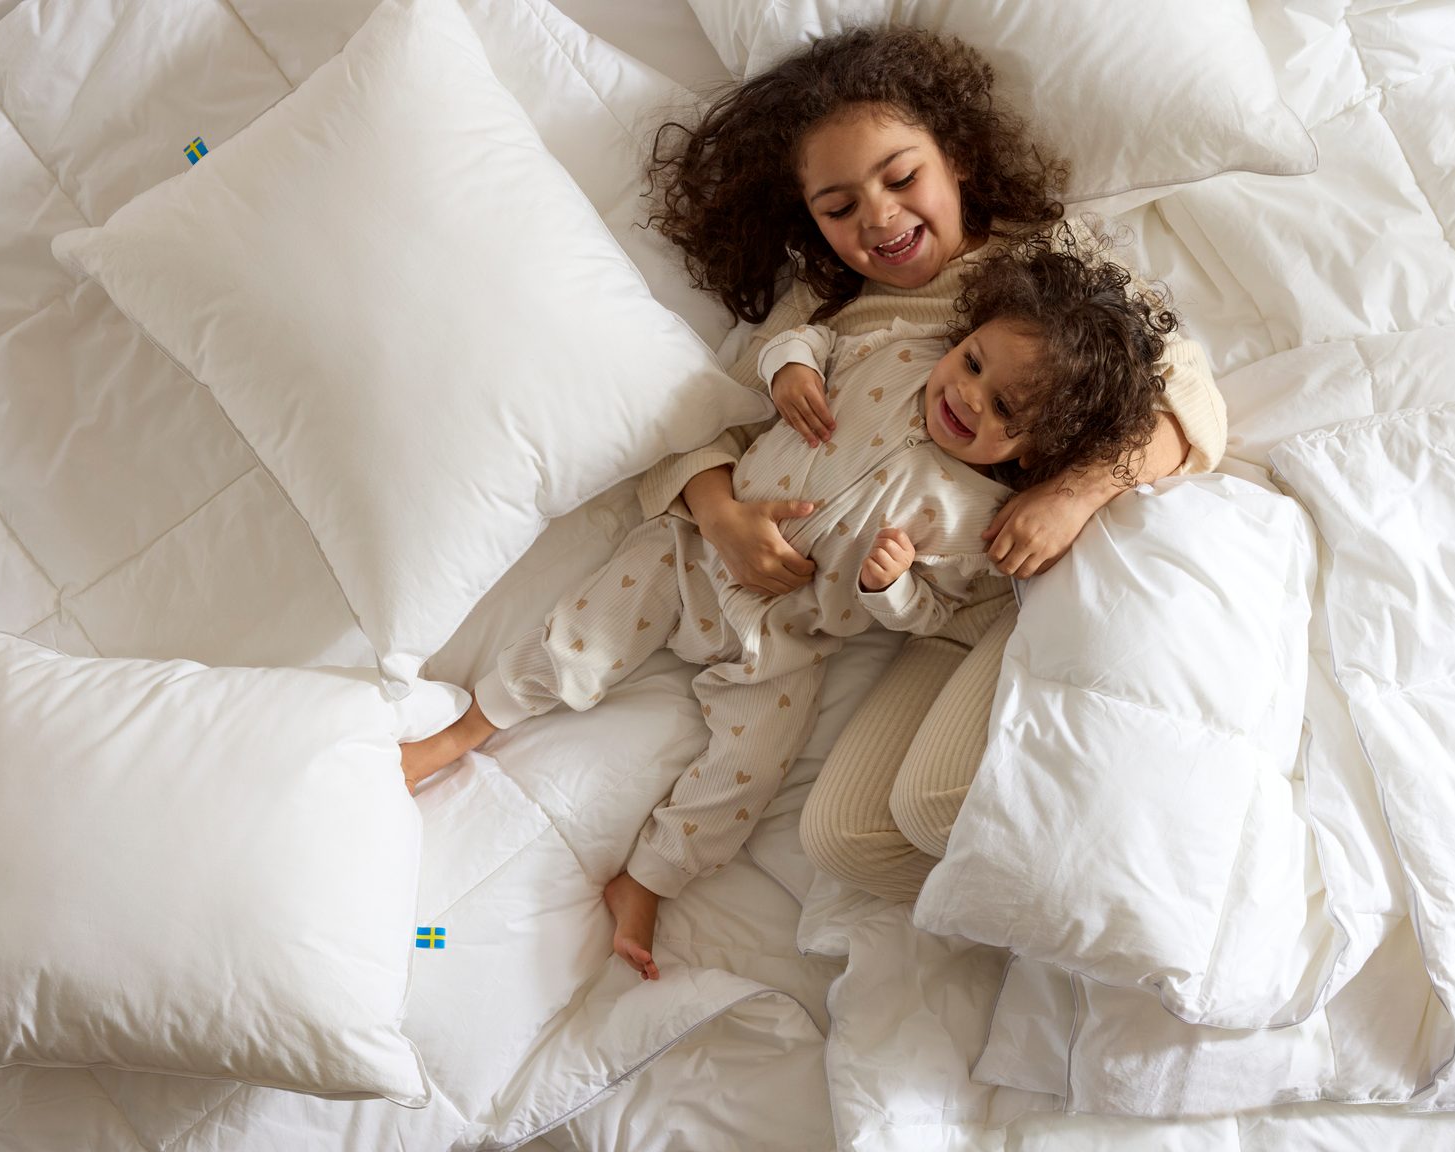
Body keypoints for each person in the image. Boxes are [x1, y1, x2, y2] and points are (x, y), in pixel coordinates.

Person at [402, 239, 1177, 977]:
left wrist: (892, 586)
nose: (966, 396)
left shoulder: (976, 517)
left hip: (785, 639)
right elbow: (801, 342)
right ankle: (469, 728)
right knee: (585, 632)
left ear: (1035, 453)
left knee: (747, 772)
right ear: (965, 333)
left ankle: (647, 879)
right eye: (972, 361)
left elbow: (931, 617)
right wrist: (791, 374)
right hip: (694, 556)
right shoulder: (900, 352)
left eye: (1003, 407)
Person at [639, 26, 1231, 902]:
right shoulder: (824, 316)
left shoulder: (1050, 257)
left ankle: (1120, 890)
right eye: (838, 208)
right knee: (838, 839)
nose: (878, 219)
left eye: (901, 178)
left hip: (1048, 569)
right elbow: (707, 431)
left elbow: (1190, 406)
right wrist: (722, 516)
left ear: (954, 159)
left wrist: (1075, 492)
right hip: (929, 599)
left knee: (933, 801)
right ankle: (1028, 921)